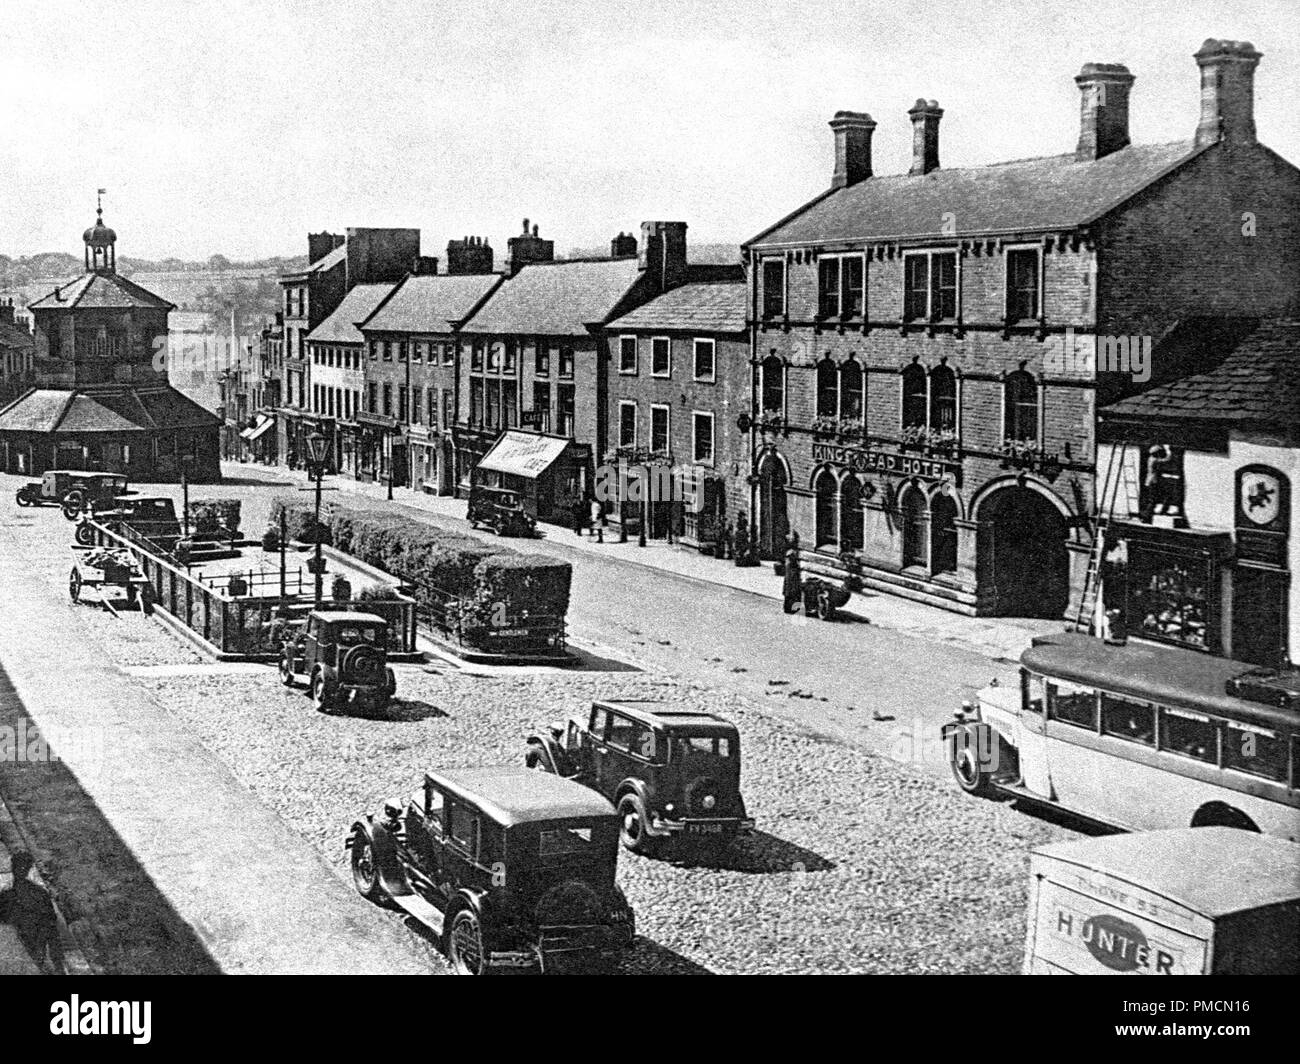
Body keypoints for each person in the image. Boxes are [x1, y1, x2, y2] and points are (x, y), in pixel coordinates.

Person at [0, 851, 66, 975]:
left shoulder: (40, 894)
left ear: (29, 869)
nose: (20, 870)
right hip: (14, 953)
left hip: (36, 950)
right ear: (13, 867)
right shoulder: (5, 896)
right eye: (17, 866)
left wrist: (58, 965)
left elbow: (52, 931)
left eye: (24, 866)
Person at [782, 541, 802, 613]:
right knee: (792, 592)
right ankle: (791, 608)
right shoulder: (792, 553)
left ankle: (789, 608)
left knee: (789, 593)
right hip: (792, 576)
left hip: (790, 576)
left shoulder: (789, 554)